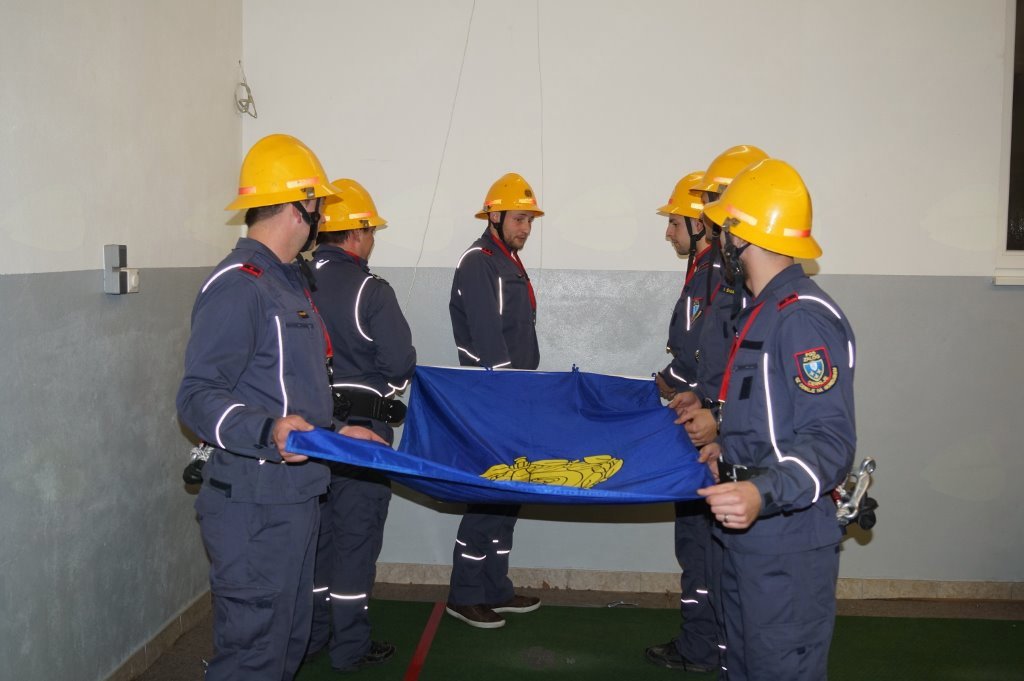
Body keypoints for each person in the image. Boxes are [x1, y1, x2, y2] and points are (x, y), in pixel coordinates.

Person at [176, 134, 384, 681]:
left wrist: (338, 433)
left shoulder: (287, 282)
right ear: (301, 206)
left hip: (295, 498)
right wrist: (267, 431)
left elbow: (290, 394)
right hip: (254, 507)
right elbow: (197, 396)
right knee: (254, 658)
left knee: (286, 647)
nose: (322, 217)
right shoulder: (240, 286)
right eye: (318, 204)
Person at [697, 158, 856, 681]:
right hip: (750, 535)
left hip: (786, 542)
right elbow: (769, 418)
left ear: (740, 236)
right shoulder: (764, 309)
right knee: (742, 664)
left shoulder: (801, 316)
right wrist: (729, 454)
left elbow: (829, 443)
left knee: (780, 668)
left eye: (723, 229)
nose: (718, 241)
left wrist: (760, 491)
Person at [647, 145, 767, 673]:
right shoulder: (711, 271)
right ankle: (704, 644)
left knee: (706, 545)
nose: (669, 232)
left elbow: (718, 357)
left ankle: (710, 648)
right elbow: (701, 352)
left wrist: (709, 407)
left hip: (724, 433)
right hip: (709, 421)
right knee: (698, 543)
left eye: (675, 222)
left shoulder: (726, 275)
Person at [305, 179, 416, 671]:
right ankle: (349, 648)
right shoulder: (371, 290)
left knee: (317, 539)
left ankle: (311, 637)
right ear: (355, 233)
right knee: (356, 539)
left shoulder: (295, 281)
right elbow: (399, 364)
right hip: (363, 435)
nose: (372, 241)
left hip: (309, 433)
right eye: (370, 231)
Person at [445, 172, 543, 628]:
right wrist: (508, 398)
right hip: (493, 399)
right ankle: (465, 594)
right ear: (495, 216)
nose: (526, 228)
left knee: (508, 497)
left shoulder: (508, 260)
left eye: (530, 220)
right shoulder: (479, 262)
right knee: (487, 497)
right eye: (519, 219)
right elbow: (488, 340)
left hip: (515, 397)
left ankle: (495, 588)